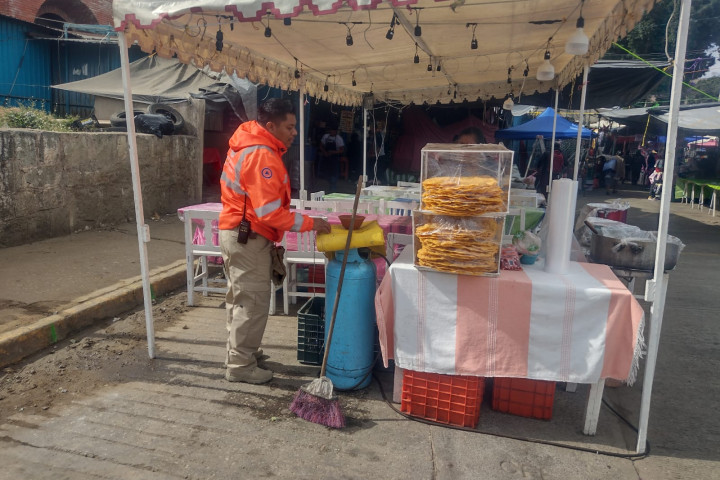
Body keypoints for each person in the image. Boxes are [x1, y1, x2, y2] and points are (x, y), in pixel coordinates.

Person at [219, 98, 331, 384]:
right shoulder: (261, 155)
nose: (295, 132)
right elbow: (269, 212)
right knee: (253, 301)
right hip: (249, 236)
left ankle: (242, 354)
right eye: (290, 126)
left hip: (240, 234)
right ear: (271, 126)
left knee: (241, 299)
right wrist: (311, 224)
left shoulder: (251, 144)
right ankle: (241, 366)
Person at [319, 125, 344, 191]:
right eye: (330, 130)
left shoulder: (339, 139)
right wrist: (325, 152)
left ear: (336, 131)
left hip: (334, 159)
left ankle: (333, 188)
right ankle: (328, 186)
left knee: (334, 174)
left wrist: (333, 152)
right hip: (326, 158)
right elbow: (321, 146)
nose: (331, 132)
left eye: (333, 131)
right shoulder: (326, 136)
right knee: (326, 174)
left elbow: (341, 150)